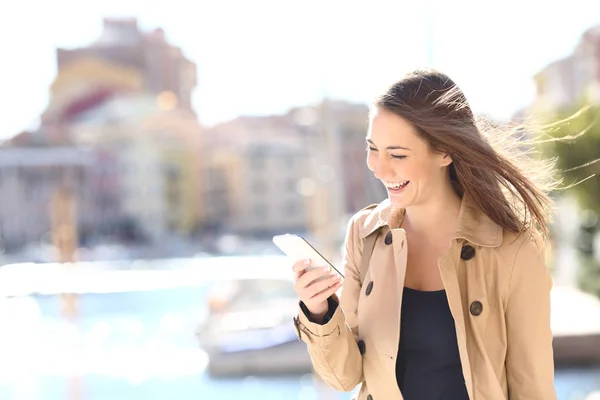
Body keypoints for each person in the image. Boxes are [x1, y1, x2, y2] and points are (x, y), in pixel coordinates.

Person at [291, 68, 558, 400]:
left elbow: (533, 388)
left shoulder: (513, 249)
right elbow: (344, 377)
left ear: (445, 152)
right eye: (372, 148)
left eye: (398, 155)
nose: (379, 167)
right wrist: (319, 312)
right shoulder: (365, 233)